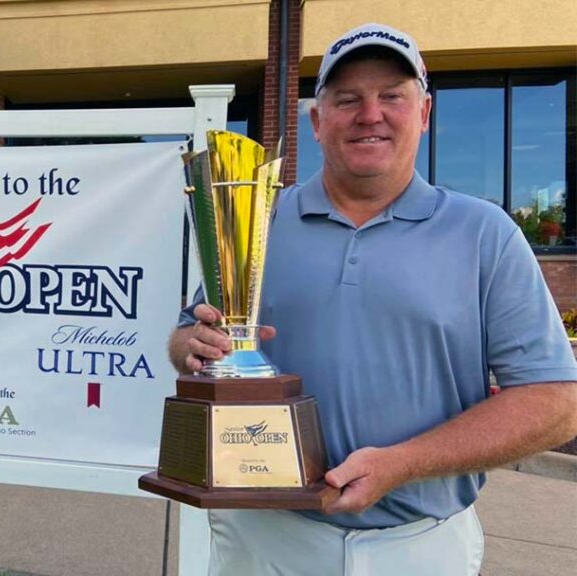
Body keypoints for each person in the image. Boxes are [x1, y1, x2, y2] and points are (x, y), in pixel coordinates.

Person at [169, 22, 577, 576]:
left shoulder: (485, 233)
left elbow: (556, 402)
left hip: (419, 546)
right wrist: (193, 344)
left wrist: (403, 464)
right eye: (348, 99)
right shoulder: (258, 217)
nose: (370, 114)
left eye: (392, 97)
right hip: (265, 538)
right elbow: (189, 337)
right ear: (317, 121)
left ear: (425, 113)